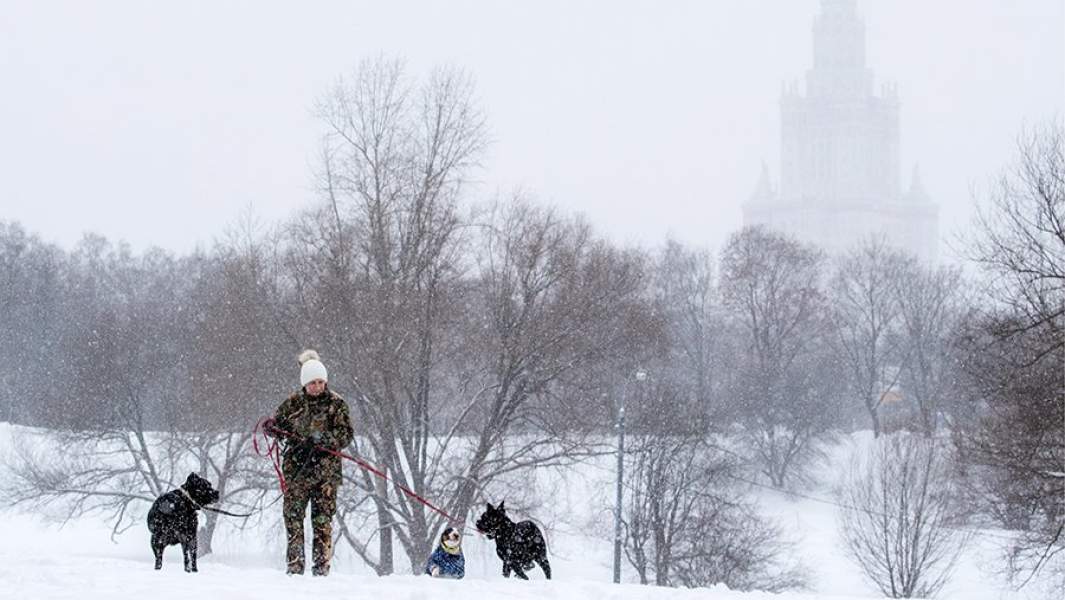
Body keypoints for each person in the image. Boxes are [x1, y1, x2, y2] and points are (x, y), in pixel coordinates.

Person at [270, 349, 354, 576]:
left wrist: (323, 440)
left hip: (325, 475)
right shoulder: (292, 403)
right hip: (296, 472)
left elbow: (345, 434)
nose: (317, 386)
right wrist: (273, 429)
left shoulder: (337, 404)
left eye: (320, 382)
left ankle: (321, 569)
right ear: (305, 384)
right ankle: (295, 566)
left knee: (322, 522)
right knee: (293, 520)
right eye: (313, 383)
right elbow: (279, 425)